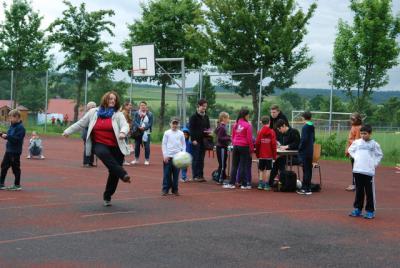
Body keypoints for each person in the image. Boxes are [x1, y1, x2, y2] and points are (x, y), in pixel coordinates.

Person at [63, 91, 131, 207]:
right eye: (110, 99)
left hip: (116, 146)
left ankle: (107, 196)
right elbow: (81, 124)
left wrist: (123, 132)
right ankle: (123, 174)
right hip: (99, 143)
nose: (112, 101)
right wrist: (67, 131)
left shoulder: (118, 114)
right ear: (105, 99)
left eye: (114, 99)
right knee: (103, 153)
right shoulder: (93, 112)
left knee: (113, 172)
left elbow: (125, 125)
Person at [348, 125, 383, 219]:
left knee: (369, 192)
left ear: (370, 134)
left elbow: (379, 155)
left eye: (365, 133)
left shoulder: (374, 144)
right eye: (361, 133)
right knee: (359, 191)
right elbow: (350, 150)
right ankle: (357, 209)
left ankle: (370, 211)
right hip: (357, 170)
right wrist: (357, 157)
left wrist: (374, 163)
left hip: (368, 172)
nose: (363, 135)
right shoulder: (357, 142)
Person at [223, 108, 253, 190]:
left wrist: (235, 143)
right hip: (244, 146)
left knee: (234, 165)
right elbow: (249, 139)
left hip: (236, 146)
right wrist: (251, 149)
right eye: (248, 115)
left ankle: (231, 183)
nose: (249, 116)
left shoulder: (236, 124)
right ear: (246, 115)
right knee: (243, 165)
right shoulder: (248, 125)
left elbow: (232, 136)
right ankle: (244, 184)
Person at [268, 119, 300, 187]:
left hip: (295, 157)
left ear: (284, 126)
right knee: (278, 162)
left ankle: (282, 181)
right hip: (286, 156)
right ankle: (275, 181)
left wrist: (286, 146)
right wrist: (279, 145)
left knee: (279, 162)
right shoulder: (282, 134)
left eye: (280, 129)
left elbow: (297, 144)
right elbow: (282, 144)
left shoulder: (294, 132)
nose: (279, 131)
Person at [0, 109, 26, 191]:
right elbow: (9, 136)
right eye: (9, 117)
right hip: (9, 150)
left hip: (15, 152)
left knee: (15, 168)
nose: (9, 119)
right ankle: (1, 184)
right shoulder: (12, 126)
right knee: (4, 166)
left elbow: (16, 140)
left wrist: (7, 136)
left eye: (11, 117)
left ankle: (17, 185)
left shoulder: (21, 128)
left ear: (17, 117)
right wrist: (2, 134)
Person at [161, 117, 186, 196]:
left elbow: (183, 144)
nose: (175, 125)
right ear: (170, 124)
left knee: (176, 175)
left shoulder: (181, 133)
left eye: (176, 124)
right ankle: (165, 189)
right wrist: (165, 155)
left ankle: (175, 190)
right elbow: (164, 144)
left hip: (177, 158)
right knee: (167, 175)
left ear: (178, 125)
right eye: (173, 123)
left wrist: (183, 154)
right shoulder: (167, 133)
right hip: (168, 157)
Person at [189, 99, 210, 182]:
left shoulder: (206, 116)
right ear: (198, 106)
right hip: (196, 141)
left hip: (203, 141)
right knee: (196, 158)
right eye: (203, 106)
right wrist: (193, 139)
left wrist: (208, 132)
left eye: (205, 106)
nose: (204, 108)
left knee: (201, 159)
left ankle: (201, 175)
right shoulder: (193, 117)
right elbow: (191, 129)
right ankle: (195, 176)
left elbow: (207, 127)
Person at [255, 115, 277, 191]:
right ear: (269, 122)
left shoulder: (259, 132)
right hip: (269, 155)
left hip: (261, 154)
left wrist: (257, 154)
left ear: (261, 123)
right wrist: (274, 155)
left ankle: (260, 184)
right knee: (268, 169)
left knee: (261, 169)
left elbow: (257, 143)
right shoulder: (272, 132)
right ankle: (267, 184)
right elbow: (273, 144)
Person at [297, 111, 315, 195]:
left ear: (303, 118)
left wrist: (300, 148)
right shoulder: (312, 126)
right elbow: (313, 139)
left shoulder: (305, 127)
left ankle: (305, 188)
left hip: (305, 151)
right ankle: (308, 187)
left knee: (305, 170)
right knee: (308, 170)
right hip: (310, 150)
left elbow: (303, 140)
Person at [131, 101, 153, 165]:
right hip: (138, 132)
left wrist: (145, 128)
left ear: (146, 106)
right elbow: (134, 121)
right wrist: (139, 126)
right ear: (139, 106)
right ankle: (136, 159)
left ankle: (147, 160)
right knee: (137, 146)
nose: (143, 106)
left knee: (147, 146)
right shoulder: (136, 113)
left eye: (144, 105)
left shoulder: (150, 114)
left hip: (146, 132)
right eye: (141, 105)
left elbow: (150, 123)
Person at [345, 112, 362, 191]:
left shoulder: (358, 128)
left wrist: (351, 147)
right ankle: (356, 184)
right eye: (350, 118)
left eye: (353, 119)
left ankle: (355, 185)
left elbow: (357, 140)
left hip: (356, 151)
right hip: (353, 150)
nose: (351, 120)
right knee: (355, 169)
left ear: (358, 120)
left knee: (356, 169)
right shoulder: (354, 127)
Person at [214, 112, 231, 184]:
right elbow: (220, 138)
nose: (228, 120)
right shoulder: (222, 127)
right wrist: (229, 137)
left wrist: (228, 136)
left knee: (223, 163)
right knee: (222, 164)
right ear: (223, 118)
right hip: (221, 148)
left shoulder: (221, 126)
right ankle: (219, 179)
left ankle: (221, 177)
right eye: (227, 118)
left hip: (222, 147)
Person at [82, 101, 97, 167]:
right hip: (87, 133)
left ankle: (91, 162)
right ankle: (86, 162)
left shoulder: (94, 114)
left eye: (95, 106)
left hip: (92, 133)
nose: (94, 108)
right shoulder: (87, 114)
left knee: (92, 148)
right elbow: (86, 125)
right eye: (93, 107)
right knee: (87, 147)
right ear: (89, 107)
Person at [120, 101, 133, 166]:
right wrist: (127, 131)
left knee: (124, 145)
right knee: (123, 145)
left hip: (126, 131)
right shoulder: (124, 113)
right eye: (129, 105)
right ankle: (122, 160)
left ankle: (122, 160)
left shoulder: (126, 112)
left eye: (131, 105)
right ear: (125, 106)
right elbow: (124, 123)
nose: (131, 106)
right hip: (124, 132)